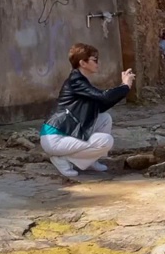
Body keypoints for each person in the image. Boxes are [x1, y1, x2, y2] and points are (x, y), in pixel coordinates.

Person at [39, 42, 135, 179]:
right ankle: (63, 159)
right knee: (106, 141)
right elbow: (103, 96)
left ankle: (90, 160)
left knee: (104, 118)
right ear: (83, 63)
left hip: (66, 133)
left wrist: (124, 88)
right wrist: (125, 86)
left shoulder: (80, 80)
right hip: (55, 138)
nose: (97, 63)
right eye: (94, 60)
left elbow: (101, 104)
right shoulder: (76, 81)